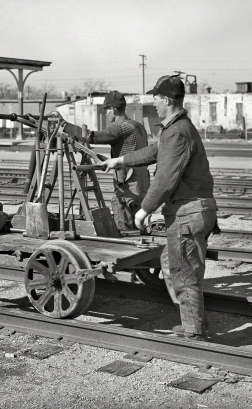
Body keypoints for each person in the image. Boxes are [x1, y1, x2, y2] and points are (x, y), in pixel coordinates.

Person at [101, 75, 219, 340]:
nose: (153, 102)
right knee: (171, 261)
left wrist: (144, 209)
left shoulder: (177, 131)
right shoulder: (175, 129)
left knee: (183, 271)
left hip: (188, 211)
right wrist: (120, 160)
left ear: (166, 100)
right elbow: (153, 152)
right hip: (194, 209)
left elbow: (165, 177)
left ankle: (193, 332)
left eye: (155, 98)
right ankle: (196, 320)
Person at [54, 90, 150, 231]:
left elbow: (94, 137)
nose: (106, 113)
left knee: (123, 224)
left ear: (114, 109)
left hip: (128, 186)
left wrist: (65, 125)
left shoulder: (121, 128)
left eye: (107, 110)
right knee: (138, 224)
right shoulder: (138, 126)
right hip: (142, 183)